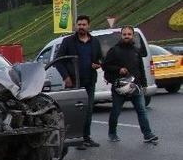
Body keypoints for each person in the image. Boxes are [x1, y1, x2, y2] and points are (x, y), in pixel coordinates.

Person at [102, 25, 158, 144]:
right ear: (121, 35)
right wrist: (119, 70)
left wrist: (144, 85)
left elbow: (141, 68)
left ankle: (148, 134)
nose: (127, 36)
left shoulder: (136, 50)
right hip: (120, 88)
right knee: (116, 111)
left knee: (142, 110)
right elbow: (105, 66)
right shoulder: (114, 50)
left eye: (129, 34)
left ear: (132, 36)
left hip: (135, 86)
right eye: (124, 34)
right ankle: (112, 133)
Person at [56, 15, 103, 150]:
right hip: (74, 82)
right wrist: (66, 77)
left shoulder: (94, 42)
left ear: (88, 26)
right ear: (76, 26)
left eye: (84, 25)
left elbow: (99, 58)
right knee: (74, 112)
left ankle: (86, 137)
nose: (81, 27)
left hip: (89, 81)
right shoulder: (68, 41)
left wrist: (98, 63)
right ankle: (74, 139)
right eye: (79, 24)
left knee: (88, 111)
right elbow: (59, 61)